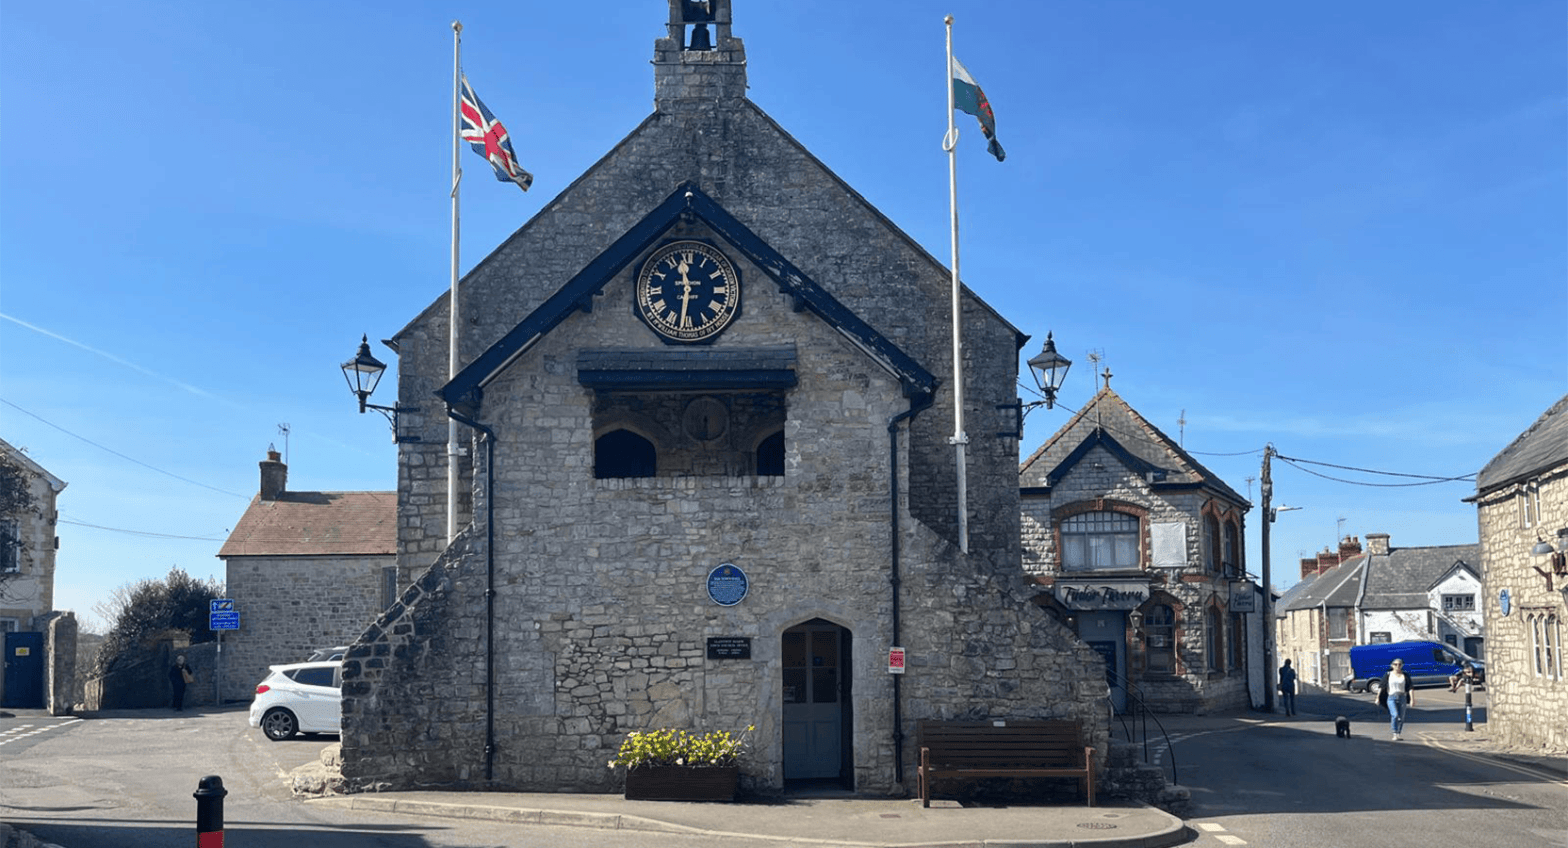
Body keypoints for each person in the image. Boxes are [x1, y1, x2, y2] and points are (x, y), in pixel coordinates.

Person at [1383, 657, 1414, 740]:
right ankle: (1394, 733)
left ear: (1402, 665)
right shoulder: (1388, 674)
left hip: (1402, 697)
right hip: (1391, 697)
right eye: (1395, 664)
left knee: (1401, 717)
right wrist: (1377, 698)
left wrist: (1412, 700)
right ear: (1392, 665)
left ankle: (1398, 733)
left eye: (1399, 664)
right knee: (1395, 715)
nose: (1397, 666)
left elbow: (1410, 687)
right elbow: (1382, 686)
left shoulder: (1405, 675)